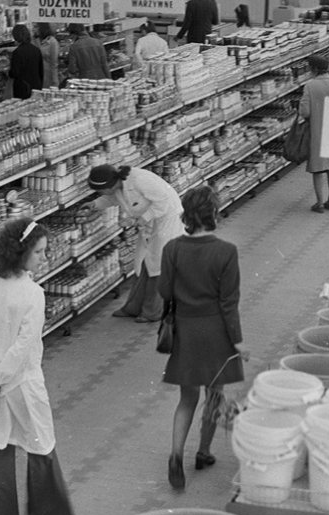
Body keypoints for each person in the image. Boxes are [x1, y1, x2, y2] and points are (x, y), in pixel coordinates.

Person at [0, 218, 75, 515]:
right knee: (40, 441)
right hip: (22, 382)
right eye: (38, 252)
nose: (43, 257)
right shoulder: (32, 294)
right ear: (21, 252)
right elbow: (23, 348)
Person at [158, 185, 246, 490]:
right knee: (214, 395)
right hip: (217, 333)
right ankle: (204, 451)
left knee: (187, 398)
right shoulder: (226, 252)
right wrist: (237, 341)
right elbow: (228, 302)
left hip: (185, 329)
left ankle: (175, 455)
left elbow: (165, 292)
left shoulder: (172, 249)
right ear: (214, 214)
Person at [87, 164, 185, 322]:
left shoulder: (140, 180)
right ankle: (133, 307)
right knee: (142, 265)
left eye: (100, 191)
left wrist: (141, 218)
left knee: (158, 268)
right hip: (150, 225)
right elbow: (113, 197)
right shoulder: (118, 185)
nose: (99, 193)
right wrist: (96, 204)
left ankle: (153, 312)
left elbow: (164, 202)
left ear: (109, 185)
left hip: (166, 222)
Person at [299, 55, 329, 213]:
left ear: (314, 69)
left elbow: (305, 112)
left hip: (317, 131)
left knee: (318, 169)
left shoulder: (310, 86)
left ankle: (319, 202)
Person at [8, 24, 43, 100]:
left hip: (23, 89)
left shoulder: (17, 52)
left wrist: (8, 72)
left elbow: (15, 73)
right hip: (36, 87)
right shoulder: (36, 50)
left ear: (15, 36)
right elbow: (41, 71)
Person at [35, 23, 60, 90]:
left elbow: (54, 63)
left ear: (42, 28)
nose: (33, 29)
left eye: (36, 27)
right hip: (36, 74)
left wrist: (54, 80)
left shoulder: (52, 42)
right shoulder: (35, 41)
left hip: (48, 75)